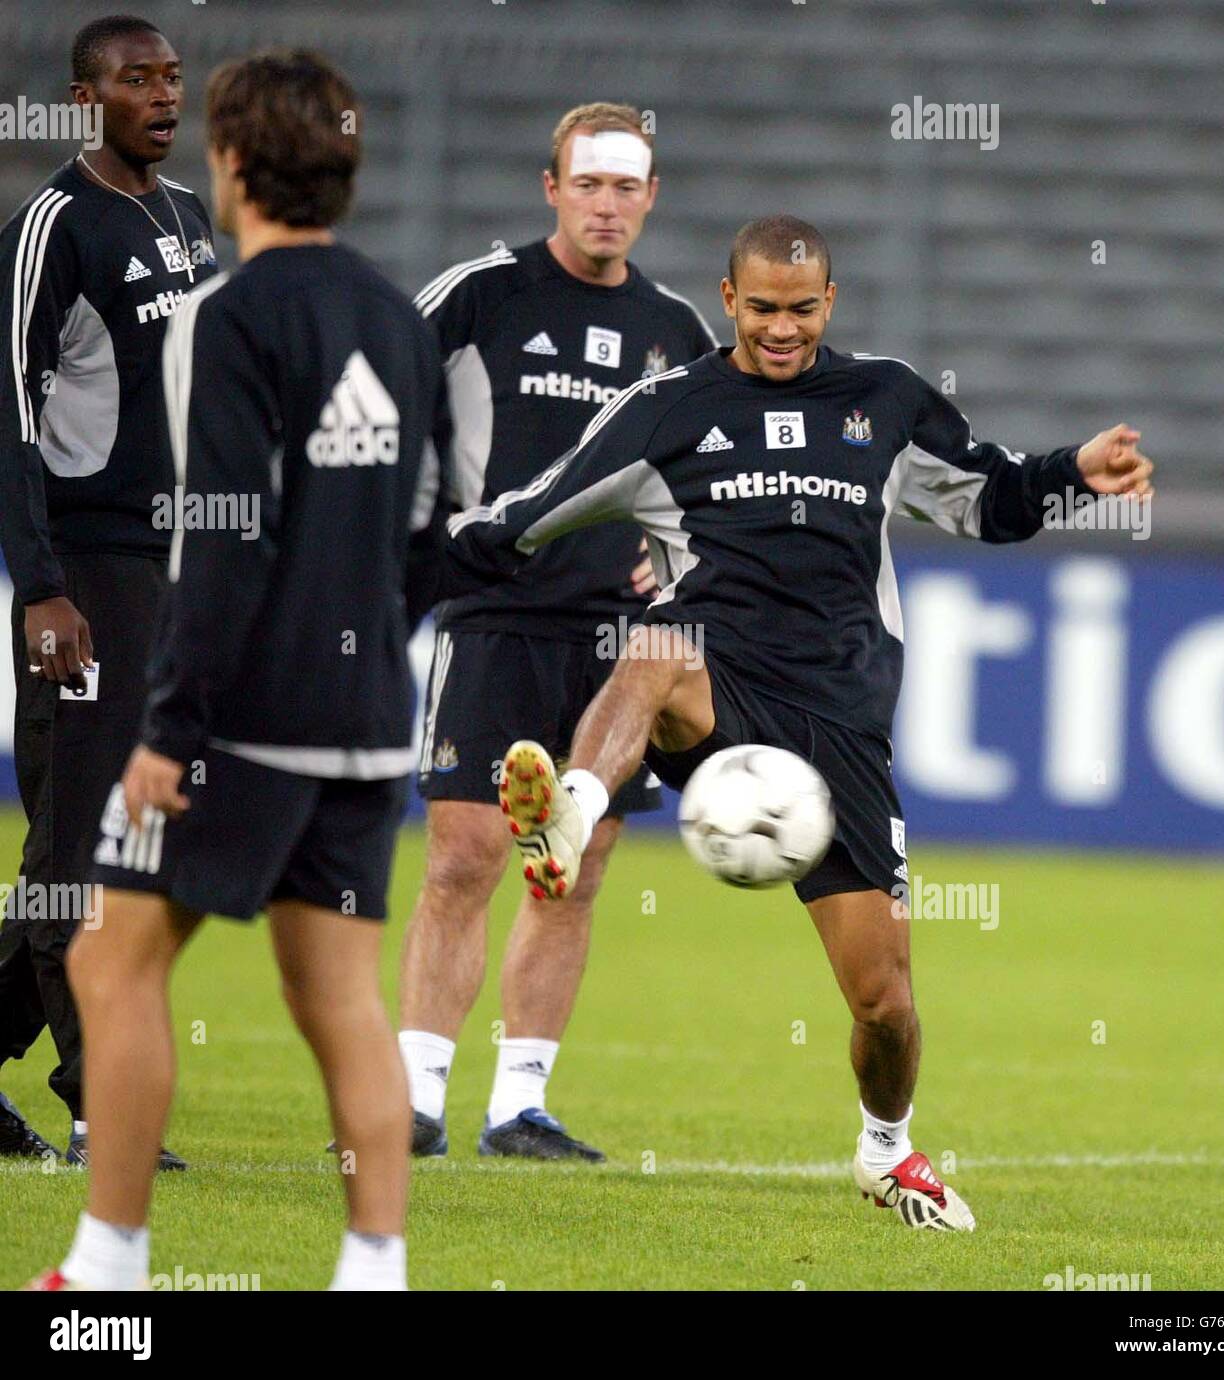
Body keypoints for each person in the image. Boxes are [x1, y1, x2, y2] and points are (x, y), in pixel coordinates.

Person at [436, 214, 1155, 1230]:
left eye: (801, 309)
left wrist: (1072, 472)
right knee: (654, 647)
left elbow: (986, 498)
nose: (781, 329)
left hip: (839, 720)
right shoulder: (666, 408)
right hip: (717, 684)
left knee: (885, 1006)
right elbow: (528, 514)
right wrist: (387, 549)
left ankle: (885, 1150)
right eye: (762, 308)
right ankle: (574, 808)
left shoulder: (886, 398)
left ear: (830, 302)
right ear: (727, 302)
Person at [28, 48, 442, 1291]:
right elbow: (433, 531)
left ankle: (107, 1269)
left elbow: (220, 536)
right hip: (372, 719)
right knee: (339, 998)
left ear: (234, 160)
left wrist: (172, 728)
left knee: (110, 956)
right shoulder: (396, 315)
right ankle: (375, 1271)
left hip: (246, 721)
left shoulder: (226, 314)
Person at [400, 103, 716, 1161]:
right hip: (494, 614)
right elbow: (375, 398)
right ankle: (412, 1099)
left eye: (627, 187)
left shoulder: (679, 332)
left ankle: (518, 1108)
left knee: (572, 872)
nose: (607, 205)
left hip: (615, 640)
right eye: (589, 184)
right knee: (463, 858)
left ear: (651, 197)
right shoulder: (478, 295)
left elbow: (713, 483)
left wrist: (677, 562)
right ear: (552, 188)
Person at [0, 13, 217, 1168]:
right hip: (87, 573)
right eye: (138, 80)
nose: (163, 96)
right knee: (80, 839)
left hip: (178, 572)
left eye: (173, 77)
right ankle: (101, 1104)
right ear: (86, 101)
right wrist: (40, 587)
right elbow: (8, 411)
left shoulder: (186, 221)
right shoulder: (52, 226)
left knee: (146, 838)